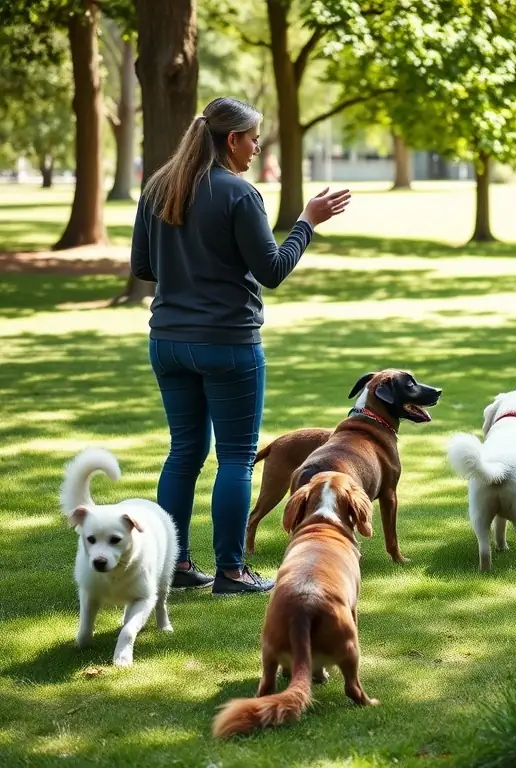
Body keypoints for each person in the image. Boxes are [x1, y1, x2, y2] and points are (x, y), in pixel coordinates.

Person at [129, 97, 351, 596]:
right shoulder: (239, 195)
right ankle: (230, 571)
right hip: (228, 344)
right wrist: (306, 222)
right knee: (236, 456)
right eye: (252, 139)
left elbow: (144, 267)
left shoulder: (158, 188)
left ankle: (178, 563)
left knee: (184, 451)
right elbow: (272, 270)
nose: (255, 148)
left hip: (167, 342)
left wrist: (188, 269)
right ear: (231, 140)